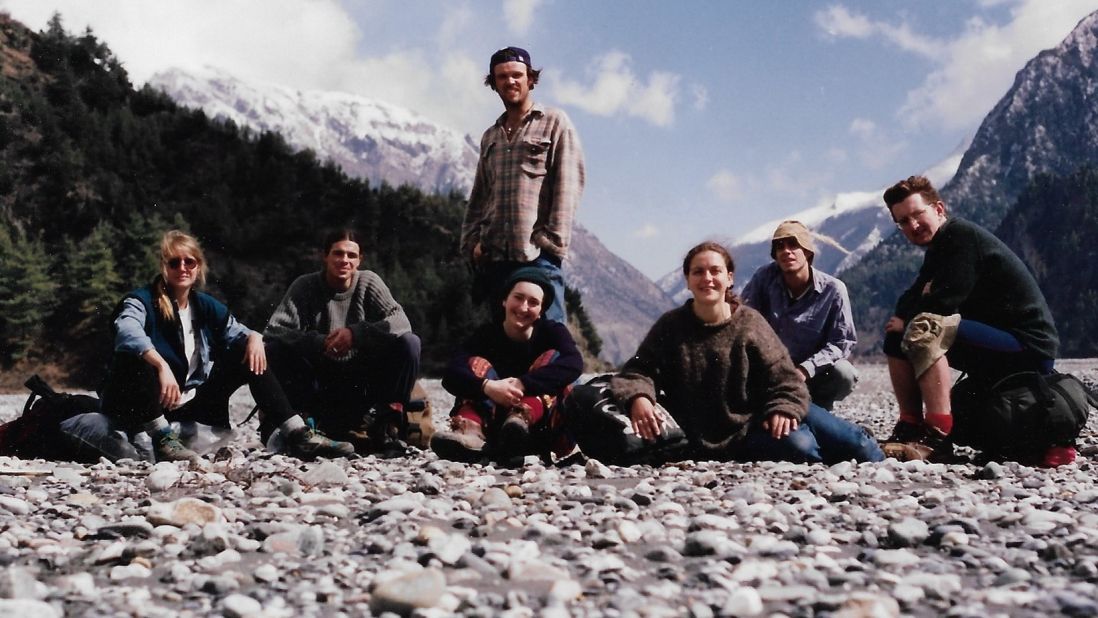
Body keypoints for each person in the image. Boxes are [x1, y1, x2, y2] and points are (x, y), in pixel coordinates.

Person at [609, 241, 883, 464]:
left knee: (859, 447)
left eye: (715, 271)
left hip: (761, 414)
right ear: (687, 280)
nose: (707, 278)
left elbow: (787, 380)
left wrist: (784, 408)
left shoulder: (750, 323)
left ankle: (882, 450)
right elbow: (635, 371)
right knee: (801, 449)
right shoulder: (671, 325)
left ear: (729, 278)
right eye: (698, 272)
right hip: (728, 435)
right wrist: (639, 398)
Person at [99, 230, 355, 462]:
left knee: (251, 350)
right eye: (174, 262)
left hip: (187, 403)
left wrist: (254, 337)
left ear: (199, 267)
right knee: (136, 354)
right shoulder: (141, 300)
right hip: (147, 403)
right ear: (163, 266)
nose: (183, 268)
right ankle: (162, 438)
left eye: (190, 261)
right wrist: (160, 363)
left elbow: (238, 332)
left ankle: (297, 433)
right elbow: (127, 330)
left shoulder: (204, 305)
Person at [880, 175, 1070, 465]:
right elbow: (911, 298)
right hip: (994, 339)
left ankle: (937, 436)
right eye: (903, 221)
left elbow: (944, 302)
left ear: (939, 209)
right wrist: (917, 307)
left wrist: (918, 308)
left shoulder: (961, 238)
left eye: (917, 214)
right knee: (896, 337)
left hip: (1028, 346)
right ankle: (910, 424)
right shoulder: (939, 248)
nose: (912, 226)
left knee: (925, 327)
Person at [264, 229, 421, 451]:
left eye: (351, 255)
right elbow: (274, 330)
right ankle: (303, 424)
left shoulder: (369, 282)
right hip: (320, 382)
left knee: (410, 343)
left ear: (359, 260)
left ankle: (386, 422)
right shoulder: (305, 285)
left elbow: (401, 320)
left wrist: (357, 334)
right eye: (338, 253)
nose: (344, 260)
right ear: (325, 256)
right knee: (273, 349)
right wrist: (317, 342)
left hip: (362, 381)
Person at [461, 46, 585, 323]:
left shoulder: (554, 122)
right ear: (493, 84)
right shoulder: (490, 136)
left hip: (538, 256)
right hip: (495, 259)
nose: (510, 82)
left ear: (531, 79)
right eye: (502, 77)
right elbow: (480, 194)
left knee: (551, 340)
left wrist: (550, 242)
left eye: (517, 75)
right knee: (504, 344)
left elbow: (569, 183)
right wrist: (472, 243)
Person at [431, 267, 583, 463]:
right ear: (504, 300)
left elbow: (574, 363)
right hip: (493, 426)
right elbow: (451, 374)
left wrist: (522, 384)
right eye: (518, 298)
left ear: (541, 311)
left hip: (541, 428)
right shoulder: (485, 334)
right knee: (474, 363)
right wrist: (488, 387)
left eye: (533, 302)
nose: (523, 307)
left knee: (554, 357)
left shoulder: (552, 332)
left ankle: (520, 420)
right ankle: (470, 432)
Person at [741, 220, 858, 410]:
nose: (786, 251)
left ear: (807, 252)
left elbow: (841, 342)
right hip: (769, 370)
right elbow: (744, 319)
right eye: (780, 246)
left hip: (812, 373)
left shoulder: (834, 290)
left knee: (844, 373)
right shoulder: (763, 278)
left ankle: (819, 407)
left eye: (793, 245)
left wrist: (805, 369)